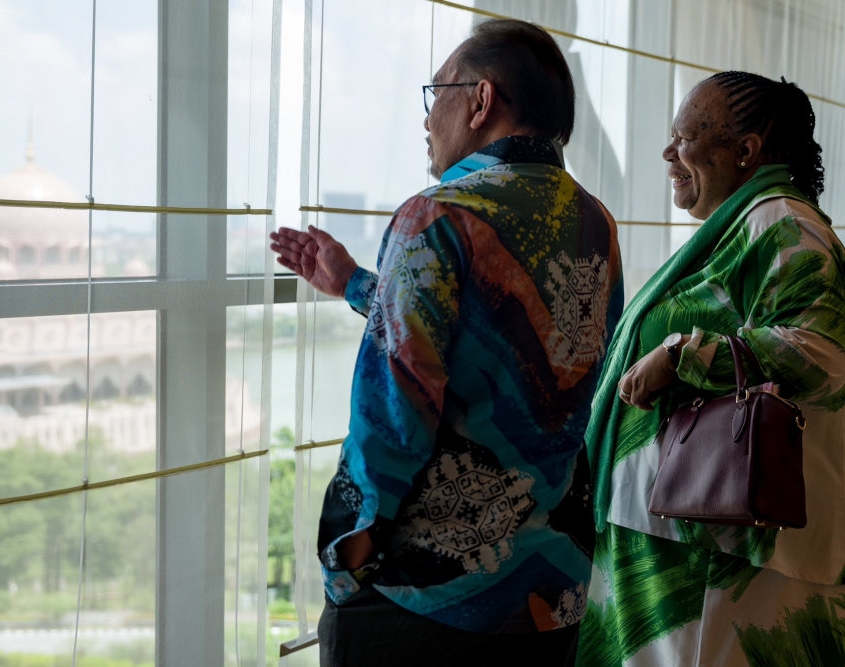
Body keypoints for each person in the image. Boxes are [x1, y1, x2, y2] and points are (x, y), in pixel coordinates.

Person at [271, 18, 623, 666]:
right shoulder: (594, 223)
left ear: (482, 100)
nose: (428, 121)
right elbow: (522, 348)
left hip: (429, 602)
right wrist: (353, 283)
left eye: (437, 96)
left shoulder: (436, 215)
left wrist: (344, 562)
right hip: (550, 595)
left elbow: (393, 416)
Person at [579, 71, 845, 666]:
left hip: (723, 555)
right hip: (687, 541)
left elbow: (820, 352)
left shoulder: (783, 223)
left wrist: (683, 357)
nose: (669, 153)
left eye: (684, 137)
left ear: (745, 151)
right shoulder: (743, 227)